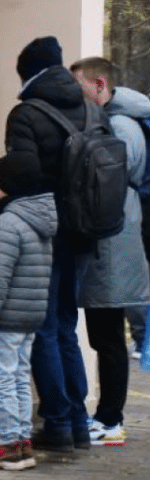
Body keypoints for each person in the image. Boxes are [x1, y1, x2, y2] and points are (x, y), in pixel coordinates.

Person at [5, 36, 98, 453]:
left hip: (44, 228)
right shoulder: (90, 109)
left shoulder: (26, 113)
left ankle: (57, 421)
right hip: (84, 230)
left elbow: (23, 172)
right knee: (65, 324)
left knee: (42, 327)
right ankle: (79, 420)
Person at [69, 57, 150, 446]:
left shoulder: (121, 126)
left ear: (99, 85)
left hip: (115, 243)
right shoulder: (116, 122)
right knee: (105, 335)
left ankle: (111, 420)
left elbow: (110, 186)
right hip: (113, 241)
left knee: (109, 337)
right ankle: (106, 417)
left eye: (78, 86)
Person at [0, 153, 55, 470]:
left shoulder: (6, 225)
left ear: (8, 184)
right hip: (29, 316)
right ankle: (21, 441)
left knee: (3, 379)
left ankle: (5, 445)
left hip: (6, 317)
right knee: (17, 377)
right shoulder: (37, 222)